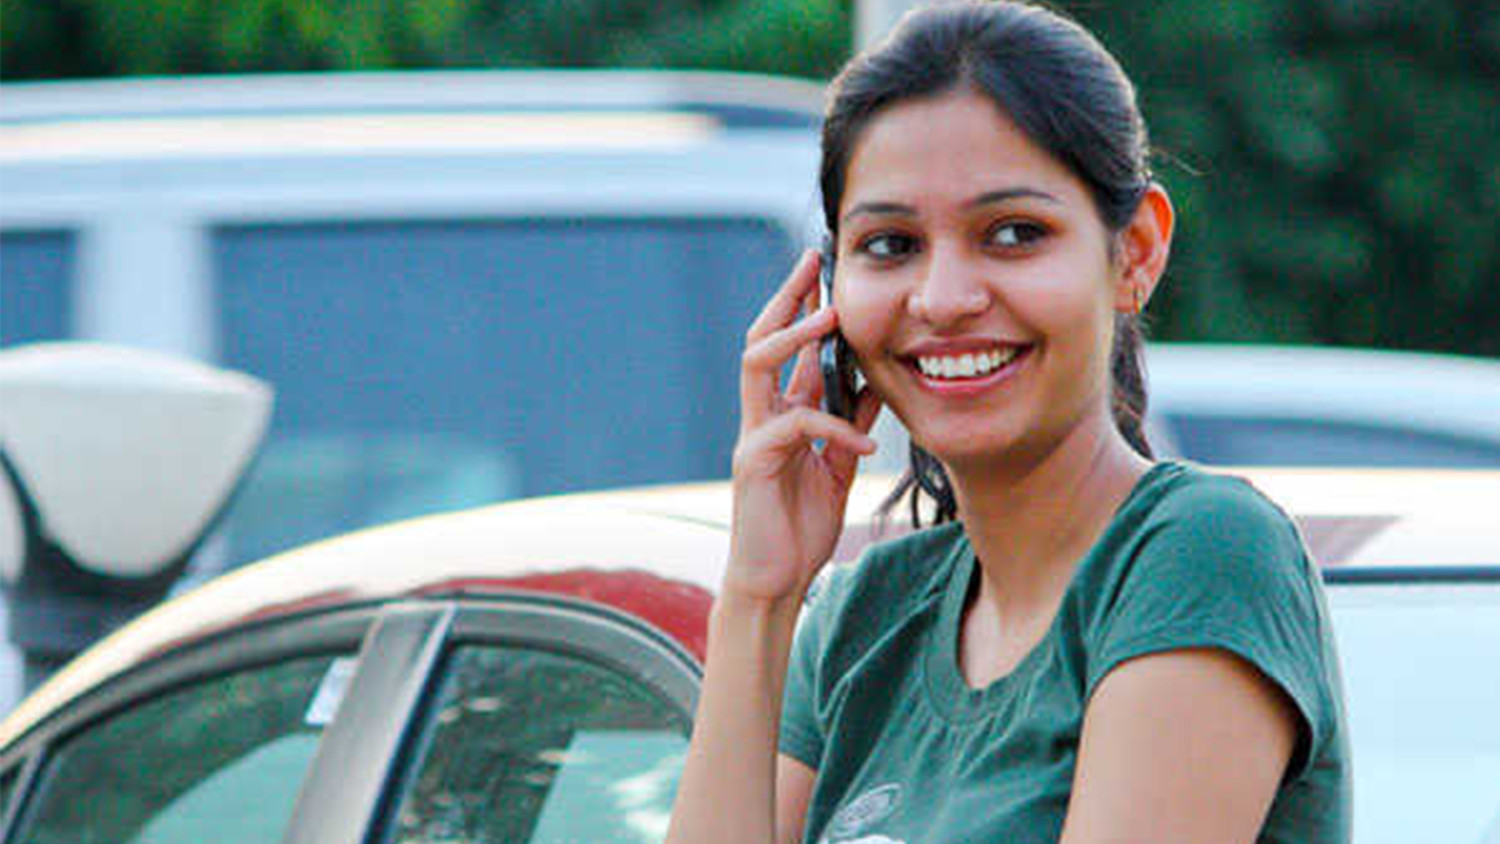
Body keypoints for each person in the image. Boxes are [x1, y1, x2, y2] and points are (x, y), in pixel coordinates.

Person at [666, 2, 1350, 843]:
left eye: (1014, 234)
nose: (944, 299)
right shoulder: (862, 621)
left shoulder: (1198, 554)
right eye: (890, 244)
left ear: (1135, 250)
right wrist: (760, 596)